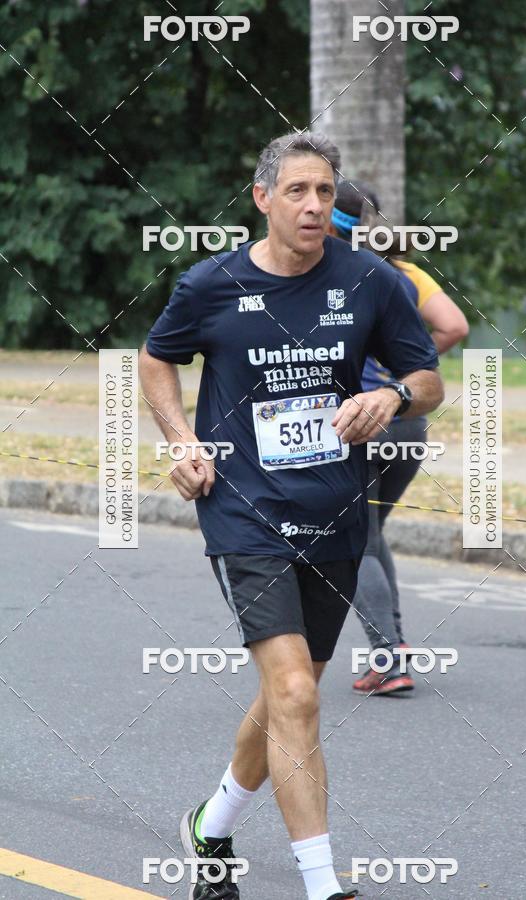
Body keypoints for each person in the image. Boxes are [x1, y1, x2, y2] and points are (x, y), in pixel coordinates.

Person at [140, 132, 443, 900]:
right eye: (300, 191)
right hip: (243, 508)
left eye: (325, 192)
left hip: (335, 506)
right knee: (299, 695)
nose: (315, 206)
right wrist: (183, 443)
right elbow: (155, 358)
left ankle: (210, 825)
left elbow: (427, 378)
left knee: (291, 690)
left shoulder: (372, 281)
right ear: (264, 198)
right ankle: (323, 887)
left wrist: (393, 396)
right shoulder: (211, 284)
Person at [328, 180, 469, 696]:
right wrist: (402, 368)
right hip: (409, 421)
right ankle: (394, 650)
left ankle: (389, 659)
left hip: (361, 420)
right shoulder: (402, 274)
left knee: (353, 540)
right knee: (370, 534)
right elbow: (454, 326)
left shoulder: (328, 272)